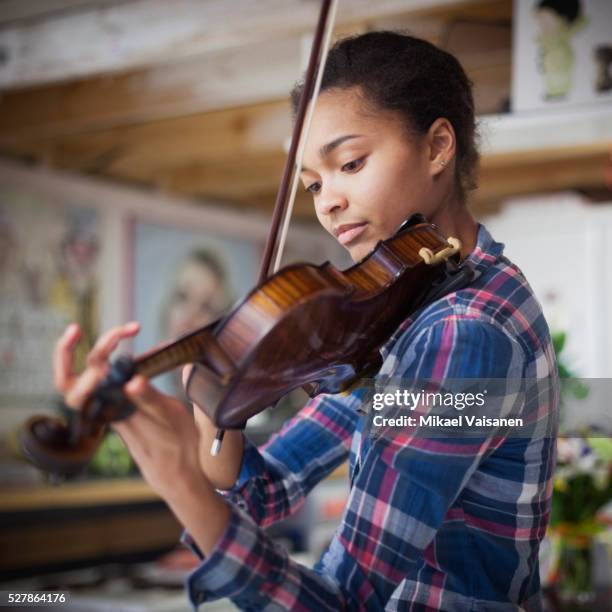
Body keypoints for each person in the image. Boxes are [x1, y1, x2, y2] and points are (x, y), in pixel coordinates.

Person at [53, 32, 559, 611]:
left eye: (350, 163)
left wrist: (179, 479)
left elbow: (340, 603)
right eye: (314, 184)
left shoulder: (464, 331)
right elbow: (264, 491)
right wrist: (207, 410)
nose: (327, 202)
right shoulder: (402, 310)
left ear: (438, 146)